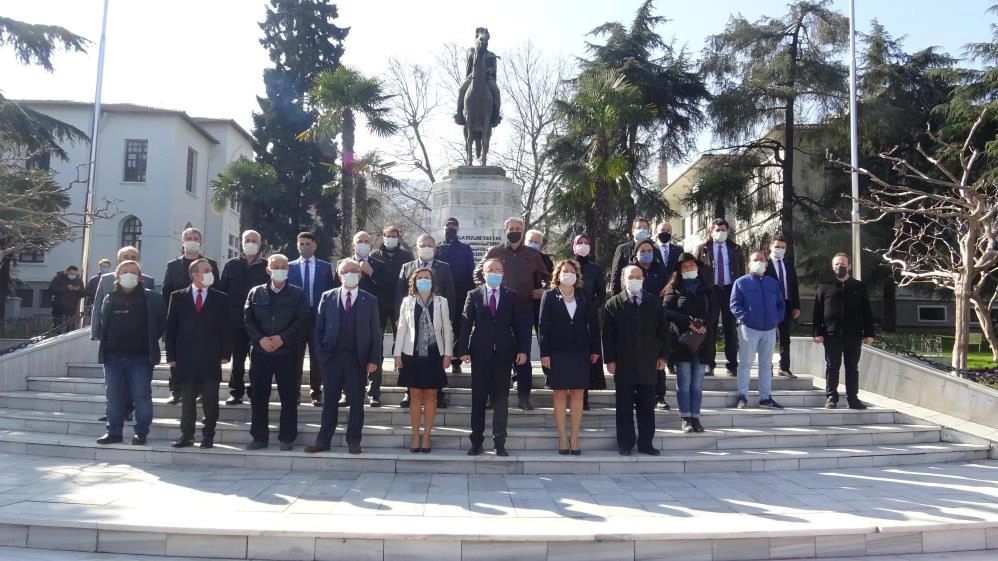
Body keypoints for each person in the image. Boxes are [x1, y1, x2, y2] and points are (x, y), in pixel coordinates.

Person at [306, 260, 382, 455]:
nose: (350, 274)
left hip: (358, 359)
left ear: (360, 274)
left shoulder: (370, 300)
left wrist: (374, 360)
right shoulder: (327, 297)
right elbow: (319, 328)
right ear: (339, 276)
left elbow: (376, 333)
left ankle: (354, 441)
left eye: (354, 271)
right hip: (332, 357)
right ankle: (323, 440)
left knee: (357, 401)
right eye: (345, 271)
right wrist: (321, 354)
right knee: (329, 400)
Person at [474, 217, 548, 410]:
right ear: (505, 230)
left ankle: (524, 397)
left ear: (523, 232)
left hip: (524, 309)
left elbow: (548, 276)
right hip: (499, 311)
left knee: (523, 353)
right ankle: (494, 398)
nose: (514, 231)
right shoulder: (495, 252)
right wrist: (486, 289)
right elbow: (478, 272)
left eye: (518, 229)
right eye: (511, 228)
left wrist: (543, 289)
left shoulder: (532, 254)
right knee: (497, 354)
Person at [459, 258, 530, 457]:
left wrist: (523, 350)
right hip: (480, 353)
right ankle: (476, 441)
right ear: (484, 273)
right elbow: (466, 323)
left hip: (504, 354)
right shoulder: (473, 295)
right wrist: (463, 349)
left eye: (498, 270)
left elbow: (520, 326)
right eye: (491, 270)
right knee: (478, 399)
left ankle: (499, 442)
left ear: (503, 273)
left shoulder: (511, 296)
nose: (495, 273)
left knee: (501, 399)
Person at [94, 260, 166, 446]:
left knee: (141, 396)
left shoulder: (153, 298)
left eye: (133, 272)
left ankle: (141, 432)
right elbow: (103, 322)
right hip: (112, 357)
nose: (128, 275)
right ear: (117, 276)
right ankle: (113, 432)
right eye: (124, 271)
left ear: (140, 277)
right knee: (113, 397)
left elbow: (160, 325)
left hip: (140, 357)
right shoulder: (109, 298)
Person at [243, 254, 310, 451]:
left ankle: (287, 437)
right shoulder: (255, 293)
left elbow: (301, 320)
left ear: (288, 270)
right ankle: (259, 437)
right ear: (268, 270)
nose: (280, 270)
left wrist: (282, 338)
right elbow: (247, 318)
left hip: (287, 352)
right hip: (260, 352)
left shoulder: (298, 294)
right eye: (276, 267)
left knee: (289, 396)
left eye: (283, 267)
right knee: (258, 395)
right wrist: (260, 339)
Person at [165, 258, 231, 449]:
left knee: (210, 400)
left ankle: (208, 435)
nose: (211, 273)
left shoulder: (220, 298)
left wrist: (225, 354)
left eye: (210, 270)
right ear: (195, 274)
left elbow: (226, 329)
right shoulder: (178, 297)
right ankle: (187, 435)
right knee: (187, 400)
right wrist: (171, 356)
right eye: (206, 270)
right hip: (186, 357)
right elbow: (171, 328)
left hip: (211, 357)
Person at [603, 265, 668, 456]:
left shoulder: (654, 302)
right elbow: (608, 336)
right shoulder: (613, 304)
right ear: (623, 279)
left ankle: (646, 444)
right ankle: (625, 444)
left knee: (646, 406)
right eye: (631, 276)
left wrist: (663, 356)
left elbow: (663, 332)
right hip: (623, 364)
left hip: (648, 363)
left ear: (643, 279)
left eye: (639, 276)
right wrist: (610, 360)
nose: (635, 280)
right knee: (624, 407)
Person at [538, 260, 600, 455]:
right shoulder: (549, 295)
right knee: (559, 393)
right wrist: (544, 353)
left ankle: (574, 437)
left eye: (572, 271)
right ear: (558, 274)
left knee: (578, 393)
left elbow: (593, 323)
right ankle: (563, 437)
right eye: (565, 271)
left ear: (577, 275)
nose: (568, 274)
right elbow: (542, 327)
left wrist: (595, 349)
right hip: (557, 351)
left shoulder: (583, 295)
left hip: (580, 351)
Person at [90, 246, 155, 423]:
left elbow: (153, 312)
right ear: (118, 260)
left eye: (134, 256)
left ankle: (128, 410)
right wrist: (96, 331)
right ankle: (115, 414)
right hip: (112, 341)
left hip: (138, 345)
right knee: (113, 385)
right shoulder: (106, 279)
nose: (130, 258)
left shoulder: (147, 281)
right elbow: (97, 306)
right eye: (126, 256)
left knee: (136, 384)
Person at [393, 269, 453, 453]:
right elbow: (402, 328)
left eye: (427, 277)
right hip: (412, 354)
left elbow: (447, 329)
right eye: (420, 278)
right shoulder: (407, 301)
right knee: (415, 396)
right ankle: (415, 435)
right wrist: (397, 354)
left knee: (431, 396)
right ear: (414, 281)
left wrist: (448, 354)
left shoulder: (441, 302)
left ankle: (426, 436)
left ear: (432, 281)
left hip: (435, 354)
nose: (423, 280)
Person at [396, 234, 456, 409]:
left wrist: (449, 317)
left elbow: (450, 293)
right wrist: (398, 317)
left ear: (435, 248)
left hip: (436, 322)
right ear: (417, 248)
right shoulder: (407, 267)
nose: (426, 248)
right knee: (412, 360)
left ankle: (439, 394)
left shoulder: (444, 268)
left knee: (434, 362)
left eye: (430, 245)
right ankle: (409, 393)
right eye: (423, 245)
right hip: (412, 321)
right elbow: (400, 292)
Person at [162, 227, 220, 404]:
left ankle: (202, 390)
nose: (192, 241)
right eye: (188, 238)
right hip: (181, 319)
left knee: (203, 354)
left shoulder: (211, 264)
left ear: (201, 242)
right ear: (182, 242)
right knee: (177, 356)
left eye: (195, 238)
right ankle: (176, 390)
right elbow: (166, 291)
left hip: (205, 318)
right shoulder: (173, 265)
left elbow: (218, 290)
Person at [662, 253, 718, 433]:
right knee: (684, 382)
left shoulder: (706, 287)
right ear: (680, 270)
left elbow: (714, 310)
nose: (689, 269)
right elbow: (665, 311)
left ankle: (696, 417)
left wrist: (703, 323)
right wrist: (688, 321)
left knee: (697, 384)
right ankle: (685, 417)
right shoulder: (674, 288)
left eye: (692, 265)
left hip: (702, 340)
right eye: (685, 267)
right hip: (682, 341)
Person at [812, 253, 875, 410]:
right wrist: (817, 332)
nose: (840, 267)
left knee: (852, 367)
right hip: (831, 334)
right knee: (832, 366)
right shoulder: (824, 286)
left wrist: (869, 333)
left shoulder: (859, 287)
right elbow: (817, 311)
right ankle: (831, 397)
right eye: (837, 265)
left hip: (853, 334)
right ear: (832, 266)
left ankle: (853, 398)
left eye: (843, 265)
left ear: (849, 266)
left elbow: (866, 311)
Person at [334, 231, 386, 406]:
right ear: (353, 245)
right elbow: (335, 288)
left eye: (366, 241)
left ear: (370, 245)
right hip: (347, 315)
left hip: (372, 316)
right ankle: (346, 393)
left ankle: (374, 393)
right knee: (347, 353)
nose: (363, 244)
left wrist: (371, 273)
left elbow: (386, 288)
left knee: (375, 353)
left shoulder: (379, 265)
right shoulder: (343, 263)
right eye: (359, 241)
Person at [218, 230, 269, 406]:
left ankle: (255, 391)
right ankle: (236, 392)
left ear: (260, 244)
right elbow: (222, 291)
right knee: (238, 360)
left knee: (257, 360)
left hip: (259, 322)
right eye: (247, 240)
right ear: (241, 242)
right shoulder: (231, 265)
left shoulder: (266, 266)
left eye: (254, 240)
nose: (250, 243)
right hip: (236, 320)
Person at [730, 251, 785, 410]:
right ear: (749, 263)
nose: (759, 262)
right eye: (755, 259)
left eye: (762, 259)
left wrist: (776, 319)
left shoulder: (772, 283)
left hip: (769, 329)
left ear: (766, 263)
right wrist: (746, 318)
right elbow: (734, 304)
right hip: (749, 329)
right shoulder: (741, 282)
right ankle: (742, 396)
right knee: (745, 364)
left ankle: (765, 398)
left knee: (766, 365)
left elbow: (780, 304)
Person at [287, 232, 334, 406]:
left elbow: (330, 292)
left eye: (308, 243)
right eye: (301, 244)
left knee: (317, 357)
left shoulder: (325, 267)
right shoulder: (290, 267)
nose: (304, 247)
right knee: (295, 357)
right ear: (297, 246)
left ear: (314, 245)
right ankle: (295, 393)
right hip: (296, 318)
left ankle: (316, 393)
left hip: (317, 317)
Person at [694, 218, 745, 376]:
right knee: (710, 328)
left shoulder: (735, 248)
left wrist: (740, 291)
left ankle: (732, 364)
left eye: (723, 230)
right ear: (711, 232)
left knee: (730, 328)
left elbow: (741, 270)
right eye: (717, 230)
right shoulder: (702, 248)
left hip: (730, 290)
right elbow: (696, 271)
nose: (720, 233)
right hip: (711, 291)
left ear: (728, 231)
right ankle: (710, 363)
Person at [437, 217, 476, 375]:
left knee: (459, 328)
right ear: (444, 228)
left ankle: (456, 361)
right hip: (441, 295)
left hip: (460, 295)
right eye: (448, 227)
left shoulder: (465, 249)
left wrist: (470, 295)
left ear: (458, 229)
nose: (450, 229)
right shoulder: (438, 248)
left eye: (453, 227)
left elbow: (470, 271)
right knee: (440, 327)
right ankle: (440, 357)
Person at [572, 235, 607, 408]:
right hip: (569, 314)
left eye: (586, 243)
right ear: (574, 246)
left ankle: (584, 397)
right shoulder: (568, 265)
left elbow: (601, 293)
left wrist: (592, 307)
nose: (583, 245)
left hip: (589, 316)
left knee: (587, 357)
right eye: (580, 243)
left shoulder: (595, 268)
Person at [371, 224, 414, 349]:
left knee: (400, 335)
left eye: (393, 236)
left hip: (399, 302)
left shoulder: (406, 256)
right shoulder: (374, 255)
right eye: (388, 236)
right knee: (377, 335)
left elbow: (411, 277)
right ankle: (378, 359)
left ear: (398, 238)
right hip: (380, 302)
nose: (390, 238)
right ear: (383, 237)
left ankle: (399, 359)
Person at [765, 235, 801, 379]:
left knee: (785, 338)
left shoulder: (788, 264)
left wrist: (796, 306)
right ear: (770, 247)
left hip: (786, 304)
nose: (779, 249)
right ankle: (767, 367)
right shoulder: (765, 264)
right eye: (777, 246)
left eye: (782, 247)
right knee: (769, 338)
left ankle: (784, 367)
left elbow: (794, 286)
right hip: (769, 305)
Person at [454, 27, 501, 126]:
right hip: (473, 77)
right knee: (462, 90)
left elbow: (493, 69)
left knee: (496, 91)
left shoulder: (491, 55)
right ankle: (459, 114)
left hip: (487, 78)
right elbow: (471, 60)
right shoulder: (471, 51)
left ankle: (496, 116)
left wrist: (488, 70)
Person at [609, 217, 662, 296]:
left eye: (645, 228)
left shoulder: (654, 249)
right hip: (628, 295)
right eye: (639, 228)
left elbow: (661, 271)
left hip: (651, 296)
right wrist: (615, 298)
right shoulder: (622, 249)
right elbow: (615, 276)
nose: (642, 230)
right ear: (633, 231)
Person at [48, 265, 84, 332]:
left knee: (70, 329)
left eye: (75, 274)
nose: (73, 275)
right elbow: (51, 290)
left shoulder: (78, 280)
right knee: (57, 327)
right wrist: (66, 288)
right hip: (59, 308)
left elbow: (83, 294)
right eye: (71, 273)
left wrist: (78, 290)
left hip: (72, 308)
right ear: (67, 272)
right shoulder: (58, 278)